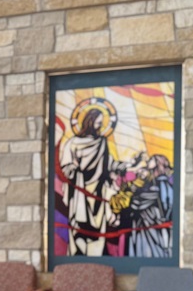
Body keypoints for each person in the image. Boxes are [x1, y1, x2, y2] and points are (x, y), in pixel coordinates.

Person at [59, 106, 143, 256]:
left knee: (97, 232)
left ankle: (96, 261)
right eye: (98, 123)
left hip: (98, 192)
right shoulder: (73, 143)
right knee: (78, 229)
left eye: (101, 123)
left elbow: (111, 164)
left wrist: (131, 163)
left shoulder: (101, 143)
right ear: (90, 122)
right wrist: (76, 169)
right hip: (80, 194)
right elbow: (66, 167)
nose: (100, 126)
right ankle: (76, 260)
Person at [126, 154, 174, 258]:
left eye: (152, 159)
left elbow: (139, 202)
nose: (148, 161)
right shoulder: (158, 182)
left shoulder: (158, 183)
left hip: (151, 223)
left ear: (158, 163)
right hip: (155, 222)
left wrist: (133, 197)